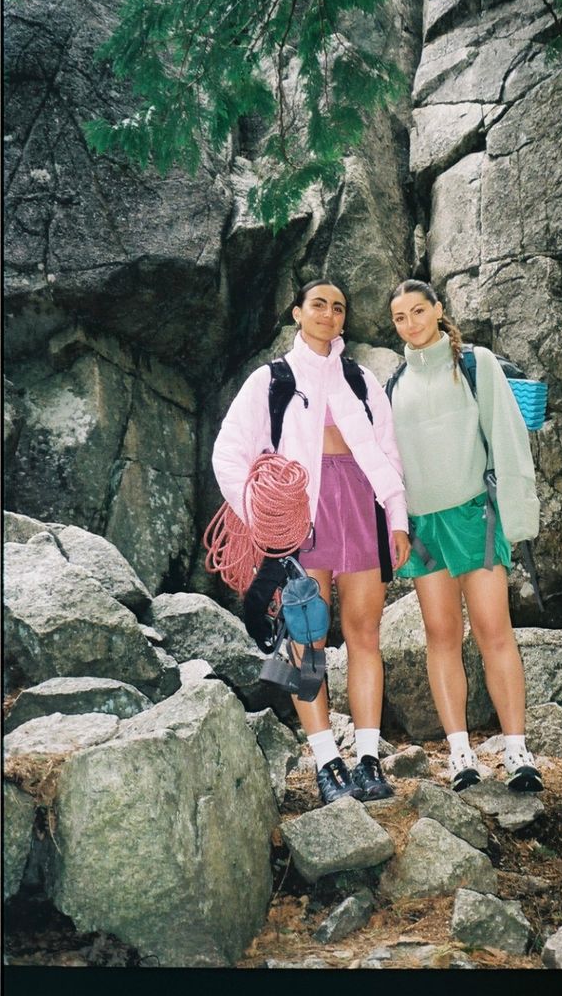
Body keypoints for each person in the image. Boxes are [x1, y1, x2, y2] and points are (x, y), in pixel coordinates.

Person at [212, 280, 411, 805]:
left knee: (366, 633)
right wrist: (262, 519)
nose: (327, 313)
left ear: (345, 319)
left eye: (338, 307)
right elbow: (228, 454)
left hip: (360, 508)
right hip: (301, 515)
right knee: (307, 637)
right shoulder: (270, 380)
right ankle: (327, 761)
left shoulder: (361, 379)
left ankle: (367, 759)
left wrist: (397, 518)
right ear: (298, 312)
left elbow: (388, 454)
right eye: (317, 304)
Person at [387, 279, 543, 793]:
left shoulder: (475, 365)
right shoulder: (395, 384)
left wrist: (519, 521)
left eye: (417, 311)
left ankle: (517, 750)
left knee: (495, 630)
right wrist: (396, 527)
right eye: (400, 317)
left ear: (437, 310)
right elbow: (390, 466)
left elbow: (508, 439)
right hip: (424, 527)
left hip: (475, 516)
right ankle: (460, 755)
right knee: (441, 637)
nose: (410, 323)